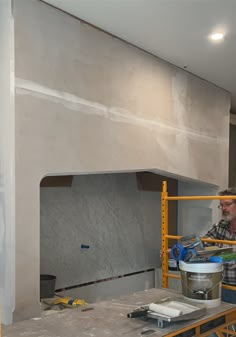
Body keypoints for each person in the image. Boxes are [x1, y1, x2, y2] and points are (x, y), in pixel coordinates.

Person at [204, 187, 236, 304]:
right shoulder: (220, 226)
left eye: (227, 204)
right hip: (221, 285)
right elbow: (203, 244)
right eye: (221, 205)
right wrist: (173, 252)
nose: (223, 208)